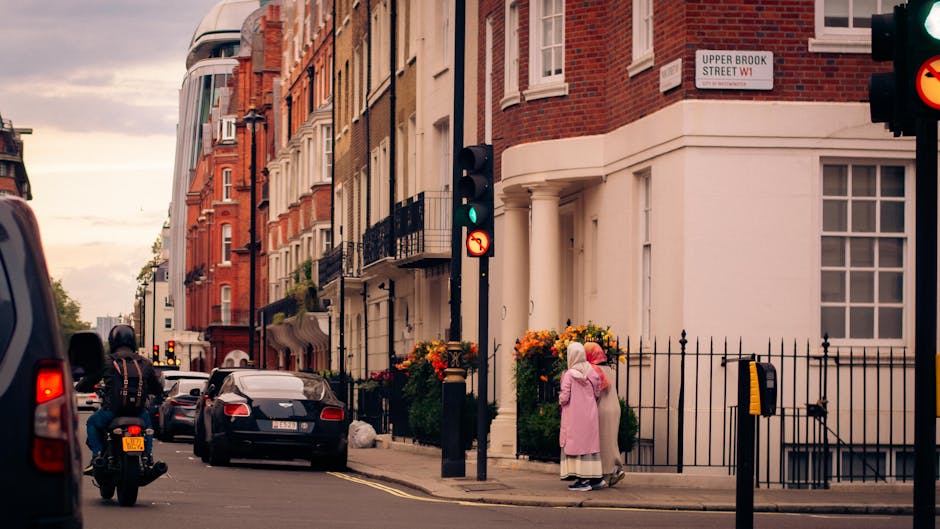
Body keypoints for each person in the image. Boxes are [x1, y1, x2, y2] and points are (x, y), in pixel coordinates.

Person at [75, 324, 163, 474]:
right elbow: (157, 389)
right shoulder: (145, 363)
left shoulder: (107, 361)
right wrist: (156, 397)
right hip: (138, 412)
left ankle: (97, 456)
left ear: (113, 341)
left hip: (112, 411)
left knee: (92, 423)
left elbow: (89, 381)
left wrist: (80, 386)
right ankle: (147, 457)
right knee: (148, 429)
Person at [559, 342, 605, 491]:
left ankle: (583, 481)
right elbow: (598, 391)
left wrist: (559, 399)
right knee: (590, 446)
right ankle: (596, 479)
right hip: (590, 413)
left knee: (577, 446)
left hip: (574, 415)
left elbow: (564, 397)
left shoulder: (569, 375)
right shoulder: (592, 371)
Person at [585, 341, 625, 487]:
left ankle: (607, 473)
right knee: (612, 441)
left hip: (602, 409)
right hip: (615, 408)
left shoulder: (593, 369)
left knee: (602, 443)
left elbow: (594, 393)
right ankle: (616, 469)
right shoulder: (608, 368)